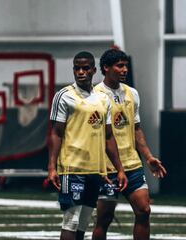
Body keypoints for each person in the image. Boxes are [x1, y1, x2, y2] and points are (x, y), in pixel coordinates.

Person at [47, 51, 128, 240]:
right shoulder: (64, 96)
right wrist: (52, 166)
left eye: (85, 68)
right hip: (72, 167)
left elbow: (109, 136)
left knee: (83, 222)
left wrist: (120, 169)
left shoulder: (103, 99)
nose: (81, 72)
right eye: (77, 68)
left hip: (95, 171)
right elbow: (56, 133)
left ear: (93, 70)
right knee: (71, 221)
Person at [92, 49, 167, 240]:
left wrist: (148, 156)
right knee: (104, 219)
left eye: (126, 65)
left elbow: (137, 129)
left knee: (144, 210)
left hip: (132, 165)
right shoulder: (94, 96)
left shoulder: (132, 93)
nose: (125, 69)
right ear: (106, 68)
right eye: (120, 65)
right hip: (107, 168)